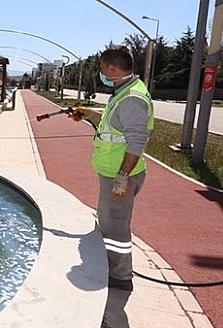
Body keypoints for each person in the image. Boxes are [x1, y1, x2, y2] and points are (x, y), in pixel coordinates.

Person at [69, 45, 154, 292]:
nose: (101, 73)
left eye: (103, 68)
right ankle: (114, 267)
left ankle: (120, 275)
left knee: (116, 227)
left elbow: (137, 140)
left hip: (120, 176)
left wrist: (122, 176)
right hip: (112, 172)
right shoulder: (123, 92)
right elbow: (113, 127)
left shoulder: (131, 99)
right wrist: (88, 115)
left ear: (113, 68)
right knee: (109, 220)